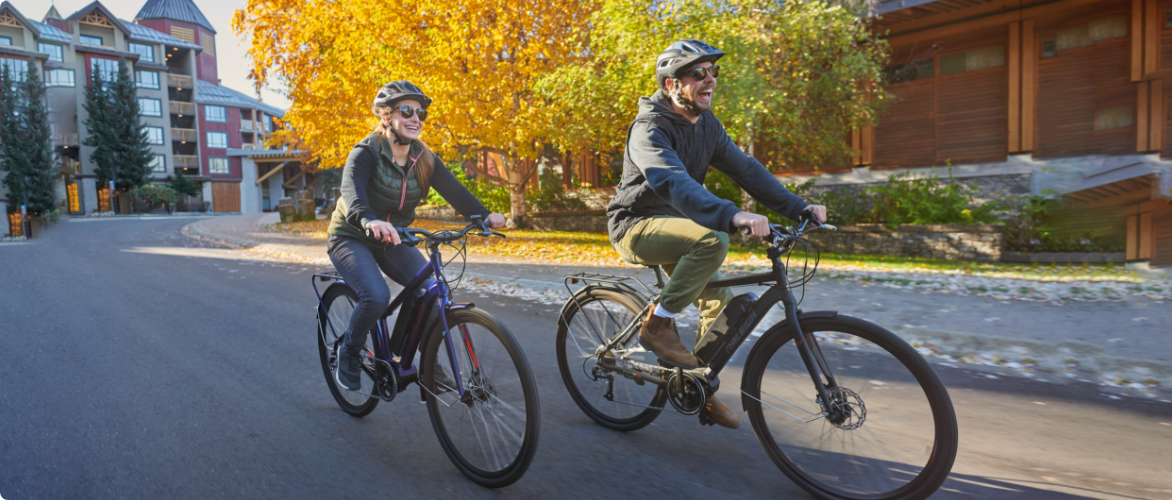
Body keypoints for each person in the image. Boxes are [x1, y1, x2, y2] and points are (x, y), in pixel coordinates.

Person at [606, 40, 828, 428]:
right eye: (698, 73)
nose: (710, 79)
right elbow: (673, 183)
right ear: (672, 84)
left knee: (724, 307)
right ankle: (656, 325)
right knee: (714, 239)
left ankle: (696, 387)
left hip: (680, 229)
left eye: (713, 72)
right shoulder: (648, 129)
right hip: (636, 226)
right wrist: (732, 215)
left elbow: (747, 170)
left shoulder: (708, 126)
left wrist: (799, 208)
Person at [328, 81, 506, 391]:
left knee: (431, 290)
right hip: (352, 235)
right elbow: (352, 193)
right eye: (407, 111)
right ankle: (350, 350)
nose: (416, 118)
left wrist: (483, 215)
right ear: (386, 117)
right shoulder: (366, 152)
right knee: (376, 296)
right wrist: (368, 220)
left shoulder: (424, 157)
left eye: (420, 112)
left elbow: (454, 190)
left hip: (394, 237)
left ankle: (423, 360)